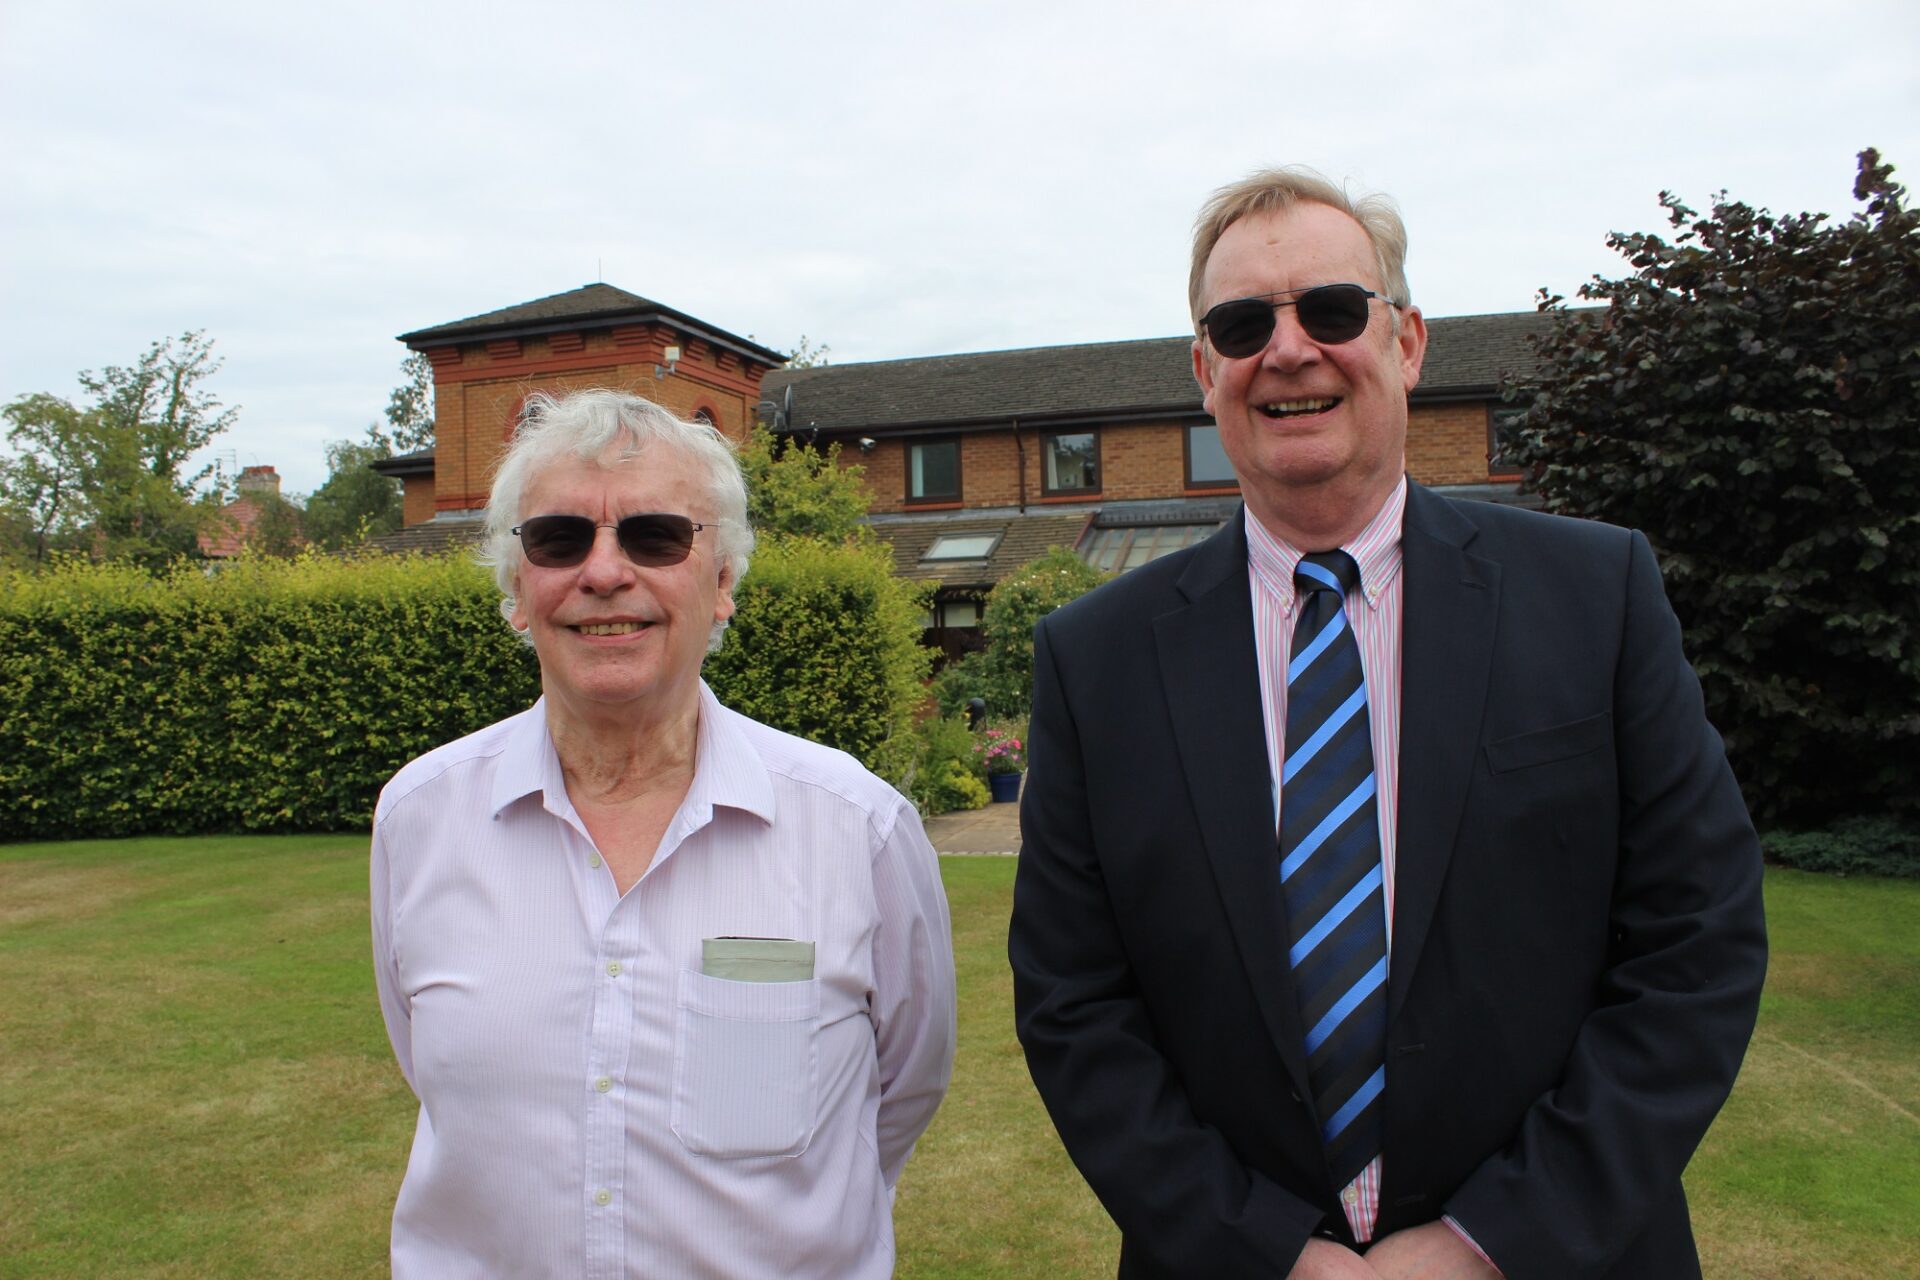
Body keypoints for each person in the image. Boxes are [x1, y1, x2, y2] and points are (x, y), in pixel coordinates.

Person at [1009, 168, 1767, 1280]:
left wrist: (1484, 1243)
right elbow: (1076, 1007)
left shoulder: (1595, 596)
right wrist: (1270, 1251)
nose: (1289, 349)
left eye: (1330, 309)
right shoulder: (1097, 659)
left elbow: (1695, 944)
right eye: (1240, 324)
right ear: (1204, 370)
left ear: (1407, 341)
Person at [370, 388, 955, 1278]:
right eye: (560, 539)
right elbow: (431, 1071)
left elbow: (904, 1089)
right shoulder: (420, 818)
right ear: (518, 588)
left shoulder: (857, 828)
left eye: (655, 537)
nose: (604, 573)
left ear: (721, 583)